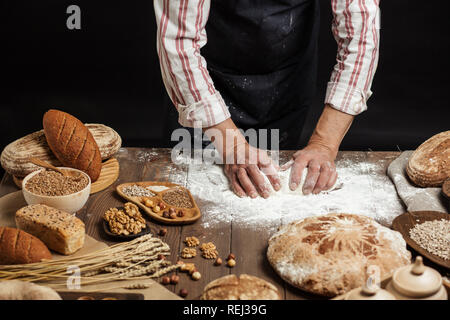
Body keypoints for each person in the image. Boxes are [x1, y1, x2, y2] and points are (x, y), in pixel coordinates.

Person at [154, 0, 380, 198]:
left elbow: (360, 39)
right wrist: (231, 144)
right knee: (194, 195)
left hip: (285, 84)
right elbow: (178, 42)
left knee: (270, 196)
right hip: (203, 88)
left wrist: (324, 144)